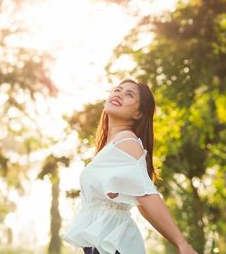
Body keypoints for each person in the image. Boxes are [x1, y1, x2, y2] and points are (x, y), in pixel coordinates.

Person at [62, 79, 198, 254]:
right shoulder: (111, 147)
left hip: (113, 244)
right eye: (117, 90)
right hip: (103, 245)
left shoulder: (127, 142)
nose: (119, 94)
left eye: (129, 94)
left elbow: (147, 196)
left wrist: (182, 244)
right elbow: (142, 204)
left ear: (138, 114)